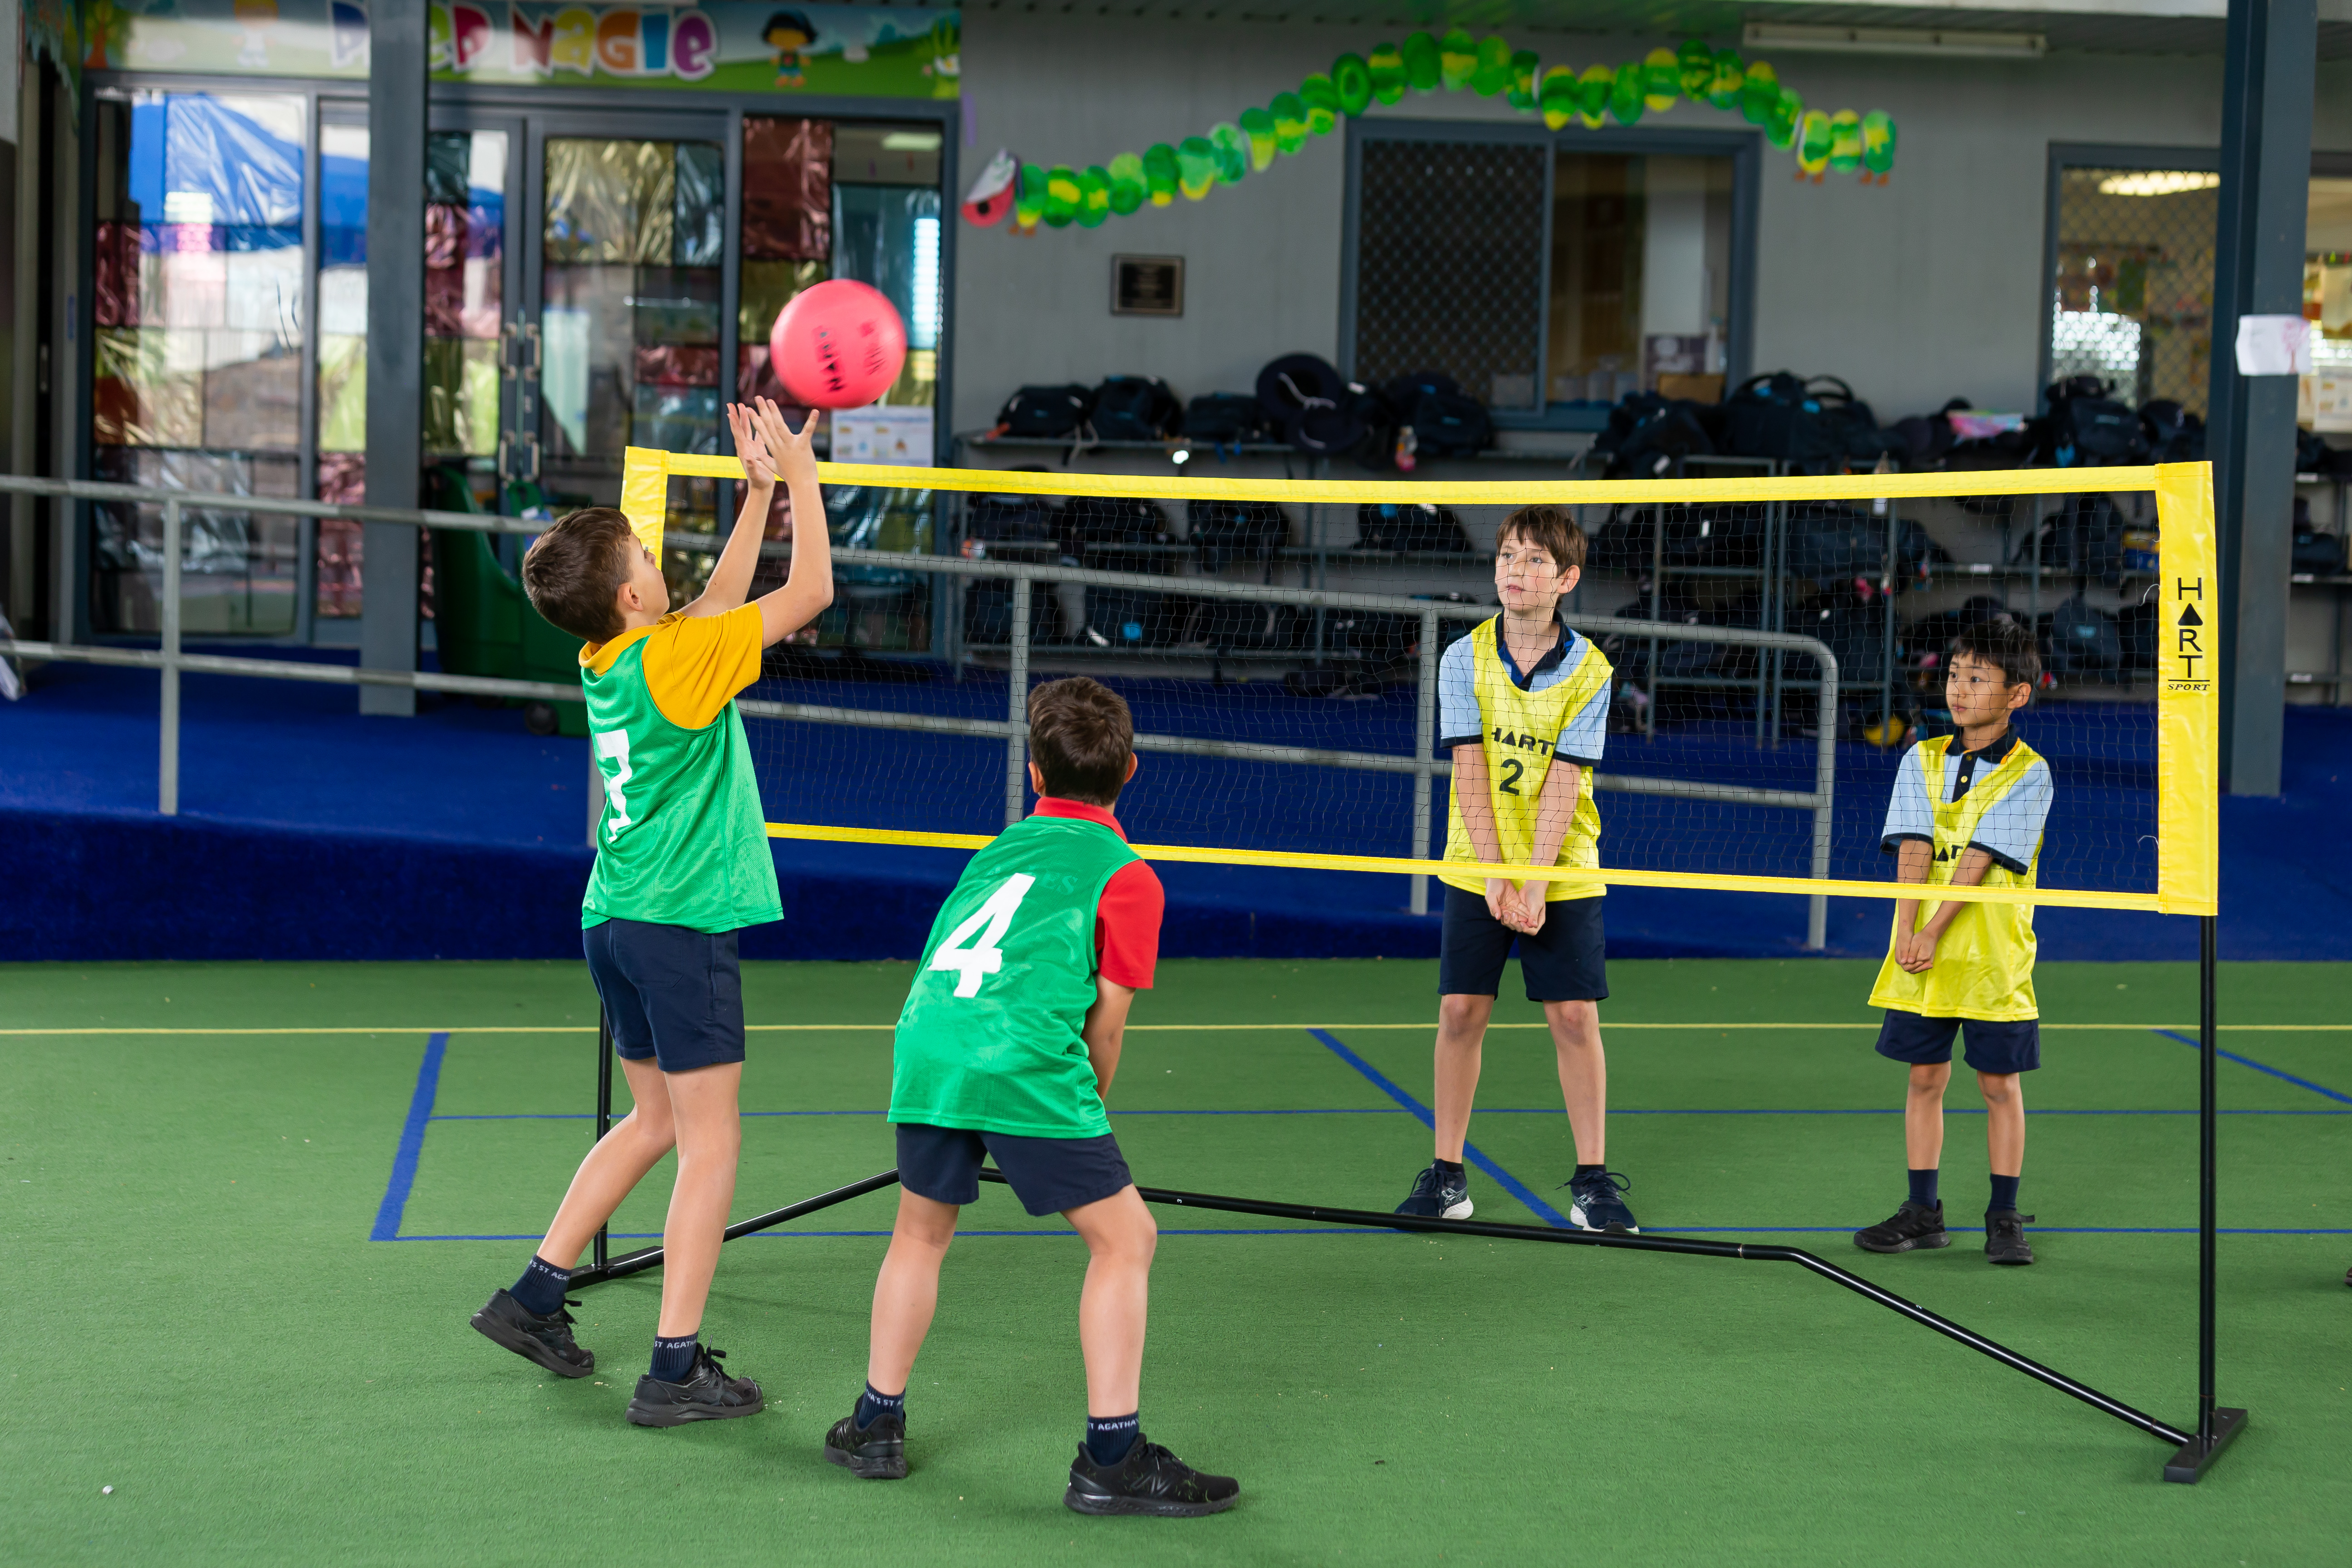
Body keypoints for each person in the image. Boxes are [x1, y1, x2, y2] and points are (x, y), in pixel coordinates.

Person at [469, 398, 831, 1422]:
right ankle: (675, 1370)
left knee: (655, 1119)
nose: (656, 553)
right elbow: (810, 591)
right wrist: (804, 474)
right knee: (712, 1144)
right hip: (678, 921)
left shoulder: (613, 657)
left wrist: (754, 494)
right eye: (644, 549)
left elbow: (714, 604)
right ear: (633, 588)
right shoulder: (674, 658)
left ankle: (537, 1293)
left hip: (613, 918)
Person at [823, 676, 1239, 1518]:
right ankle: (1112, 1458)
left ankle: (876, 1422)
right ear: (1132, 769)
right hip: (1022, 1060)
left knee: (919, 1233)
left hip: (929, 1048)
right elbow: (1106, 1028)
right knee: (1128, 1239)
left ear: (1034, 775)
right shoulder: (1129, 877)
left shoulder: (998, 850)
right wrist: (1085, 1119)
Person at [1393, 506, 1634, 1234]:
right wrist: (1498, 874)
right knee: (1461, 1012)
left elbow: (1565, 782)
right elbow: (1466, 767)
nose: (1514, 571)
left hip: (1561, 865)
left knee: (1572, 1016)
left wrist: (1533, 879)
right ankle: (1447, 1177)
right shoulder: (1461, 657)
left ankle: (1592, 1180)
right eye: (1507, 556)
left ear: (1567, 579)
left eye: (1534, 561)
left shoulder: (1592, 670)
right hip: (1477, 862)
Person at [1852, 619, 2053, 1266]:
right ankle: (1922, 1212)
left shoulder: (2032, 774)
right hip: (1922, 957)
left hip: (1991, 960)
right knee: (1925, 1078)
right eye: (1954, 675)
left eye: (1977, 678)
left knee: (1998, 1085)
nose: (1960, 689)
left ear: (2016, 695)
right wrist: (1907, 931)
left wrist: (1933, 931)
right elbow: (1914, 847)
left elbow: (1981, 861)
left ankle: (2004, 1215)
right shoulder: (1921, 757)